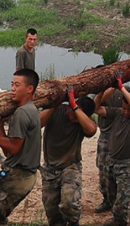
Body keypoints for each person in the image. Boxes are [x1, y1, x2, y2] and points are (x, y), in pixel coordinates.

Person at [0, 69, 41, 226]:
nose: (13, 89)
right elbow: (8, 151)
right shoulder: (31, 109)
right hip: (23, 175)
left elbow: (14, 148)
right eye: (12, 84)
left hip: (18, 175)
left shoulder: (22, 113)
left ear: (30, 89)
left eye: (17, 85)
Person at [39, 86, 97, 226]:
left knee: (69, 203)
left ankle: (73, 223)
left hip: (70, 166)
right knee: (51, 210)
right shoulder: (58, 110)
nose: (73, 116)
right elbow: (38, 123)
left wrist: (75, 108)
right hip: (50, 167)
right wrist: (55, 105)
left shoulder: (82, 122)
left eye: (76, 112)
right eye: (71, 110)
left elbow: (92, 129)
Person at [94, 72, 130, 226]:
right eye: (124, 108)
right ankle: (116, 218)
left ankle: (121, 221)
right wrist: (103, 89)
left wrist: (122, 87)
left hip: (125, 164)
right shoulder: (117, 113)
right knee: (111, 195)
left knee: (123, 199)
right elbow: (96, 107)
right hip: (111, 161)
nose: (127, 112)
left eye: (129, 109)